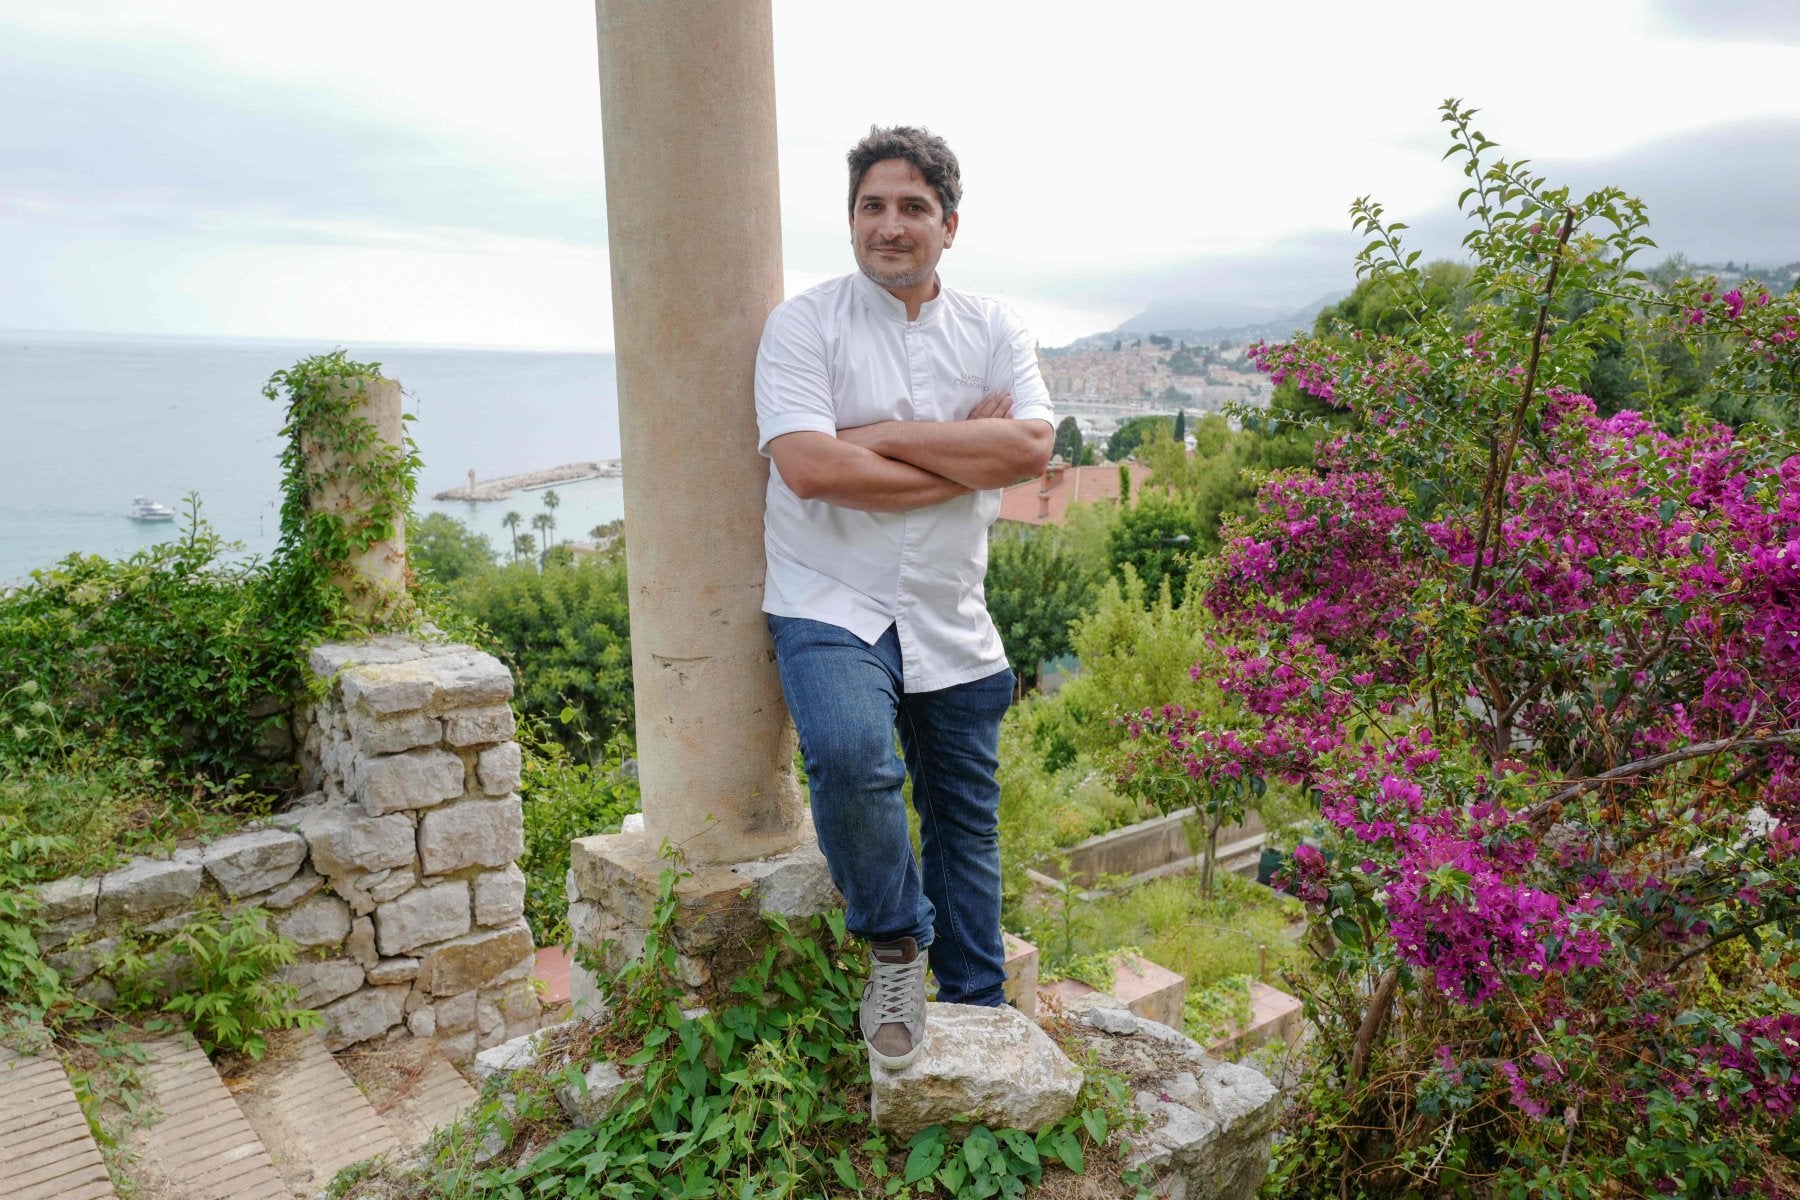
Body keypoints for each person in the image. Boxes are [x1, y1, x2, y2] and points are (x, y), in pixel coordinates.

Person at [754, 125, 1055, 1070]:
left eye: (912, 207)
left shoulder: (996, 328)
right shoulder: (803, 325)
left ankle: (976, 1006)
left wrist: (875, 438)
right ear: (850, 221)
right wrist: (957, 455)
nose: (891, 225)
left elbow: (1030, 449)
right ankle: (893, 945)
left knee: (965, 820)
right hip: (827, 596)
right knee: (850, 761)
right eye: (873, 206)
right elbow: (807, 467)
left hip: (950, 606)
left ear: (949, 224)